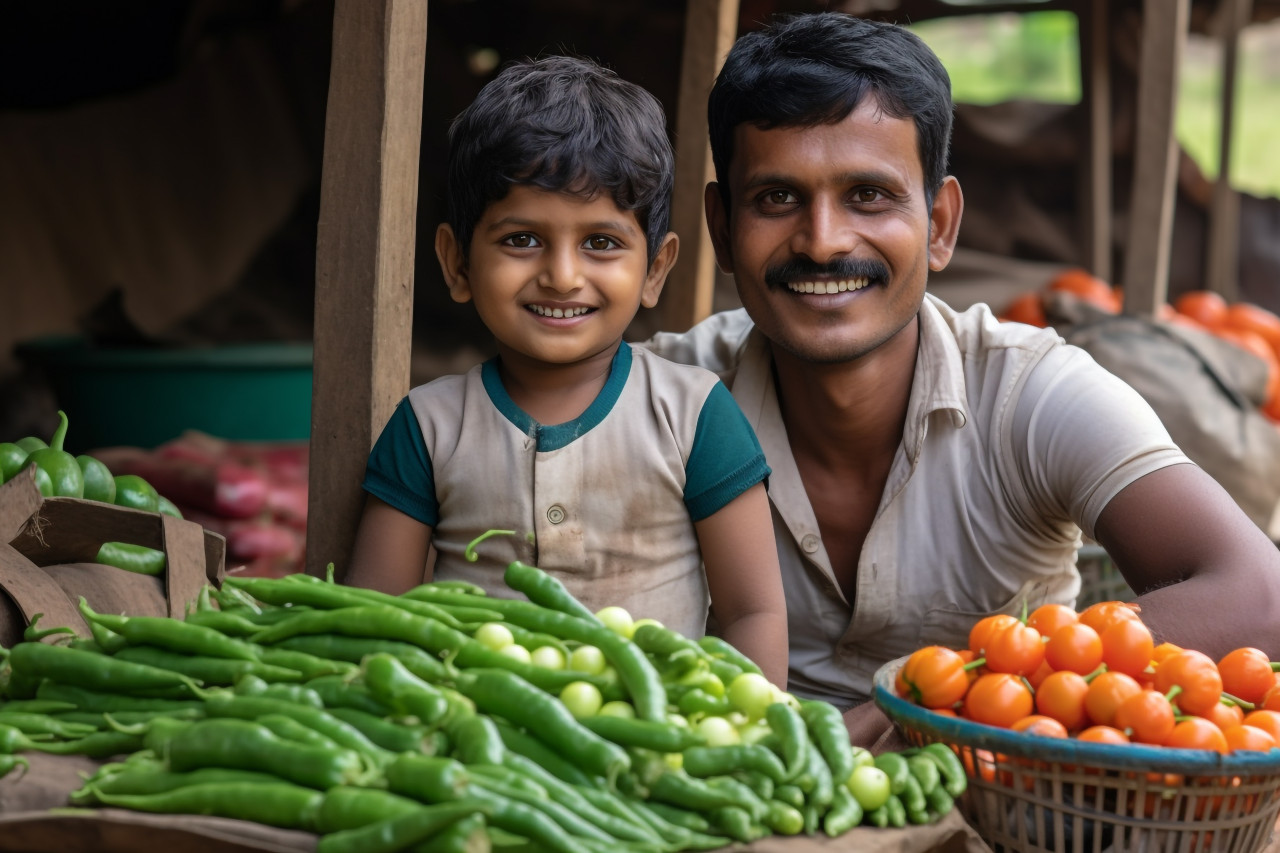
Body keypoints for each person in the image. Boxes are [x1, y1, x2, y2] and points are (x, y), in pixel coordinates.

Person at [644, 12, 1280, 745]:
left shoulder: (1029, 392)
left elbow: (1256, 592)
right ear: (722, 229)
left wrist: (926, 699)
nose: (822, 241)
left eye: (869, 196)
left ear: (941, 224)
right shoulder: (667, 395)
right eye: (778, 198)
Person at [345, 55, 788, 686]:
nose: (562, 274)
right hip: (478, 746)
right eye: (521, 239)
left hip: (660, 748)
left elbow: (753, 612)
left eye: (601, 242)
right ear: (456, 263)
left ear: (655, 269)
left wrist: (755, 741)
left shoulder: (693, 415)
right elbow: (375, 622)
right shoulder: (429, 427)